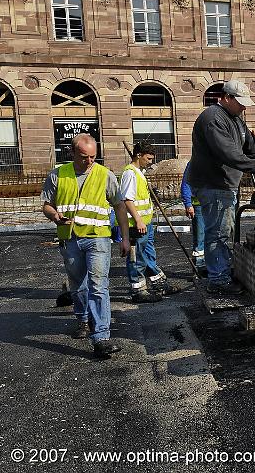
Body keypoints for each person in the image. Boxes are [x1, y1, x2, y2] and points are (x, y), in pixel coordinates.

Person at [188, 79, 255, 295]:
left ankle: (223, 272)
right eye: (241, 102)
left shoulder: (235, 119)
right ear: (226, 98)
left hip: (224, 185)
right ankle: (218, 280)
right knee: (218, 233)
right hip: (214, 184)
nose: (244, 107)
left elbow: (252, 145)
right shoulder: (213, 119)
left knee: (227, 230)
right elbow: (228, 152)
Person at [41, 133, 130, 359]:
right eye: (84, 157)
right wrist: (55, 216)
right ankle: (82, 318)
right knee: (78, 285)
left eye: (93, 157)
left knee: (99, 285)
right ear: (72, 153)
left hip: (98, 238)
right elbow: (46, 206)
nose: (89, 161)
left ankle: (101, 336)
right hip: (70, 238)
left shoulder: (105, 175)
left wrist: (125, 238)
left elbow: (119, 206)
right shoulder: (58, 175)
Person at [119, 141, 175, 302]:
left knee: (148, 255)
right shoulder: (130, 173)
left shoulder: (138, 172)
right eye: (148, 158)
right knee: (136, 258)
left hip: (145, 223)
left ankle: (159, 284)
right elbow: (127, 200)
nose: (150, 162)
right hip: (136, 226)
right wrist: (138, 220)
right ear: (139, 155)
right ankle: (138, 291)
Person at [180, 161, 205, 270]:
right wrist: (188, 204)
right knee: (200, 236)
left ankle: (208, 264)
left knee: (211, 236)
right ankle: (199, 265)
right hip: (199, 205)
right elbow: (186, 183)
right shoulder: (194, 163)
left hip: (211, 206)